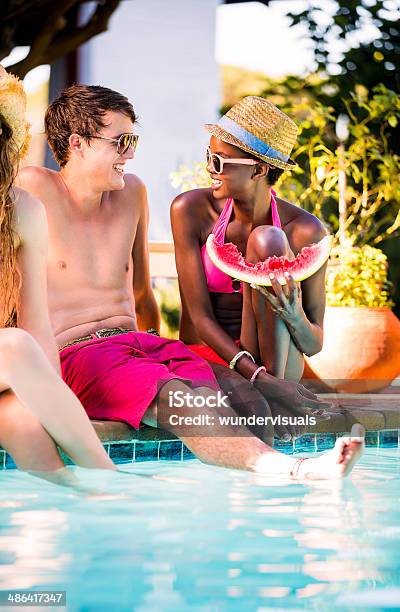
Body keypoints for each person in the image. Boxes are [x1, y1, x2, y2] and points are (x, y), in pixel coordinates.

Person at [17, 83, 365, 479]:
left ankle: (255, 515)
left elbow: (141, 291)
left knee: (248, 400)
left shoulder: (132, 193)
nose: (131, 153)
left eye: (134, 140)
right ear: (77, 143)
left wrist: (159, 350)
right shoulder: (34, 188)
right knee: (177, 398)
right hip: (78, 353)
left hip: (141, 343)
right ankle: (296, 470)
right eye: (121, 141)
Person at [171, 96, 329, 437]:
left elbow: (314, 342)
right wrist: (258, 378)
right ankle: (272, 403)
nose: (210, 169)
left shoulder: (305, 231)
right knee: (260, 416)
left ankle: (270, 401)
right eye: (208, 156)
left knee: (267, 242)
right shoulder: (190, 210)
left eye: (219, 161)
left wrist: (293, 313)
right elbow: (199, 319)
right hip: (209, 352)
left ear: (257, 169)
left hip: (276, 359)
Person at [0, 65, 115, 478]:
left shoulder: (22, 209)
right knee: (12, 345)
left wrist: (52, 396)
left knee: (27, 429)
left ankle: (87, 508)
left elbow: (38, 324)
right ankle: (109, 477)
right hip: (4, 356)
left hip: (5, 368)